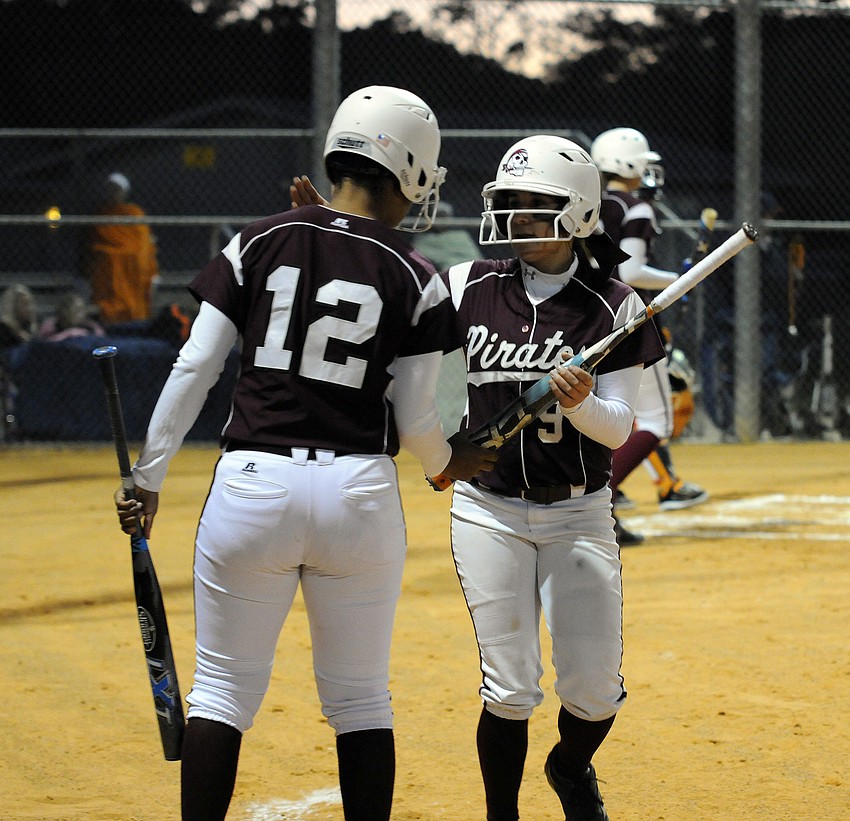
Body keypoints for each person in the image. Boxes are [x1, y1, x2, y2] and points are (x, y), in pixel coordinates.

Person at [113, 85, 496, 821]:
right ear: (408, 169)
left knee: (222, 691)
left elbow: (195, 367)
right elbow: (418, 418)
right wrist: (447, 463)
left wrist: (147, 477)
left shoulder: (260, 237)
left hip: (252, 481)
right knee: (360, 699)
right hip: (358, 492)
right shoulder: (417, 274)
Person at [292, 134, 665, 820]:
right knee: (510, 687)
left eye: (536, 204)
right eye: (511, 203)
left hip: (578, 509)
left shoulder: (613, 303)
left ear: (579, 210)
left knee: (592, 691)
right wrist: (337, 234)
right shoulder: (469, 283)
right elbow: (388, 283)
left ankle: (569, 762)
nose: (518, 217)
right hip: (488, 507)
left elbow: (620, 426)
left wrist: (580, 401)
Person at [590, 127, 709, 544]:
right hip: (626, 319)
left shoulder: (586, 203)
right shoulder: (635, 207)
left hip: (581, 318)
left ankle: (594, 503)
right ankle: (598, 502)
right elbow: (631, 272)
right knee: (655, 421)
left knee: (598, 418)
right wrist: (680, 278)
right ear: (629, 164)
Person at [81, 171, 161, 324]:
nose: (113, 193)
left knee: (136, 261)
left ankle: (134, 313)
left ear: (124, 192)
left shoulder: (134, 212)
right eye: (110, 189)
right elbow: (98, 240)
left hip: (133, 258)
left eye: (117, 189)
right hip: (109, 257)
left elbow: (143, 241)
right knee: (111, 260)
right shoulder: (101, 214)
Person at [37, 292, 105, 342]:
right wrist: (69, 334)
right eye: (77, 311)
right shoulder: (49, 328)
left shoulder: (91, 328)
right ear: (64, 311)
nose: (83, 314)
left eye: (82, 310)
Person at [0, 283, 38, 350]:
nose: (29, 308)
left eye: (30, 304)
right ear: (12, 306)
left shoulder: (30, 326)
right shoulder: (3, 330)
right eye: (24, 304)